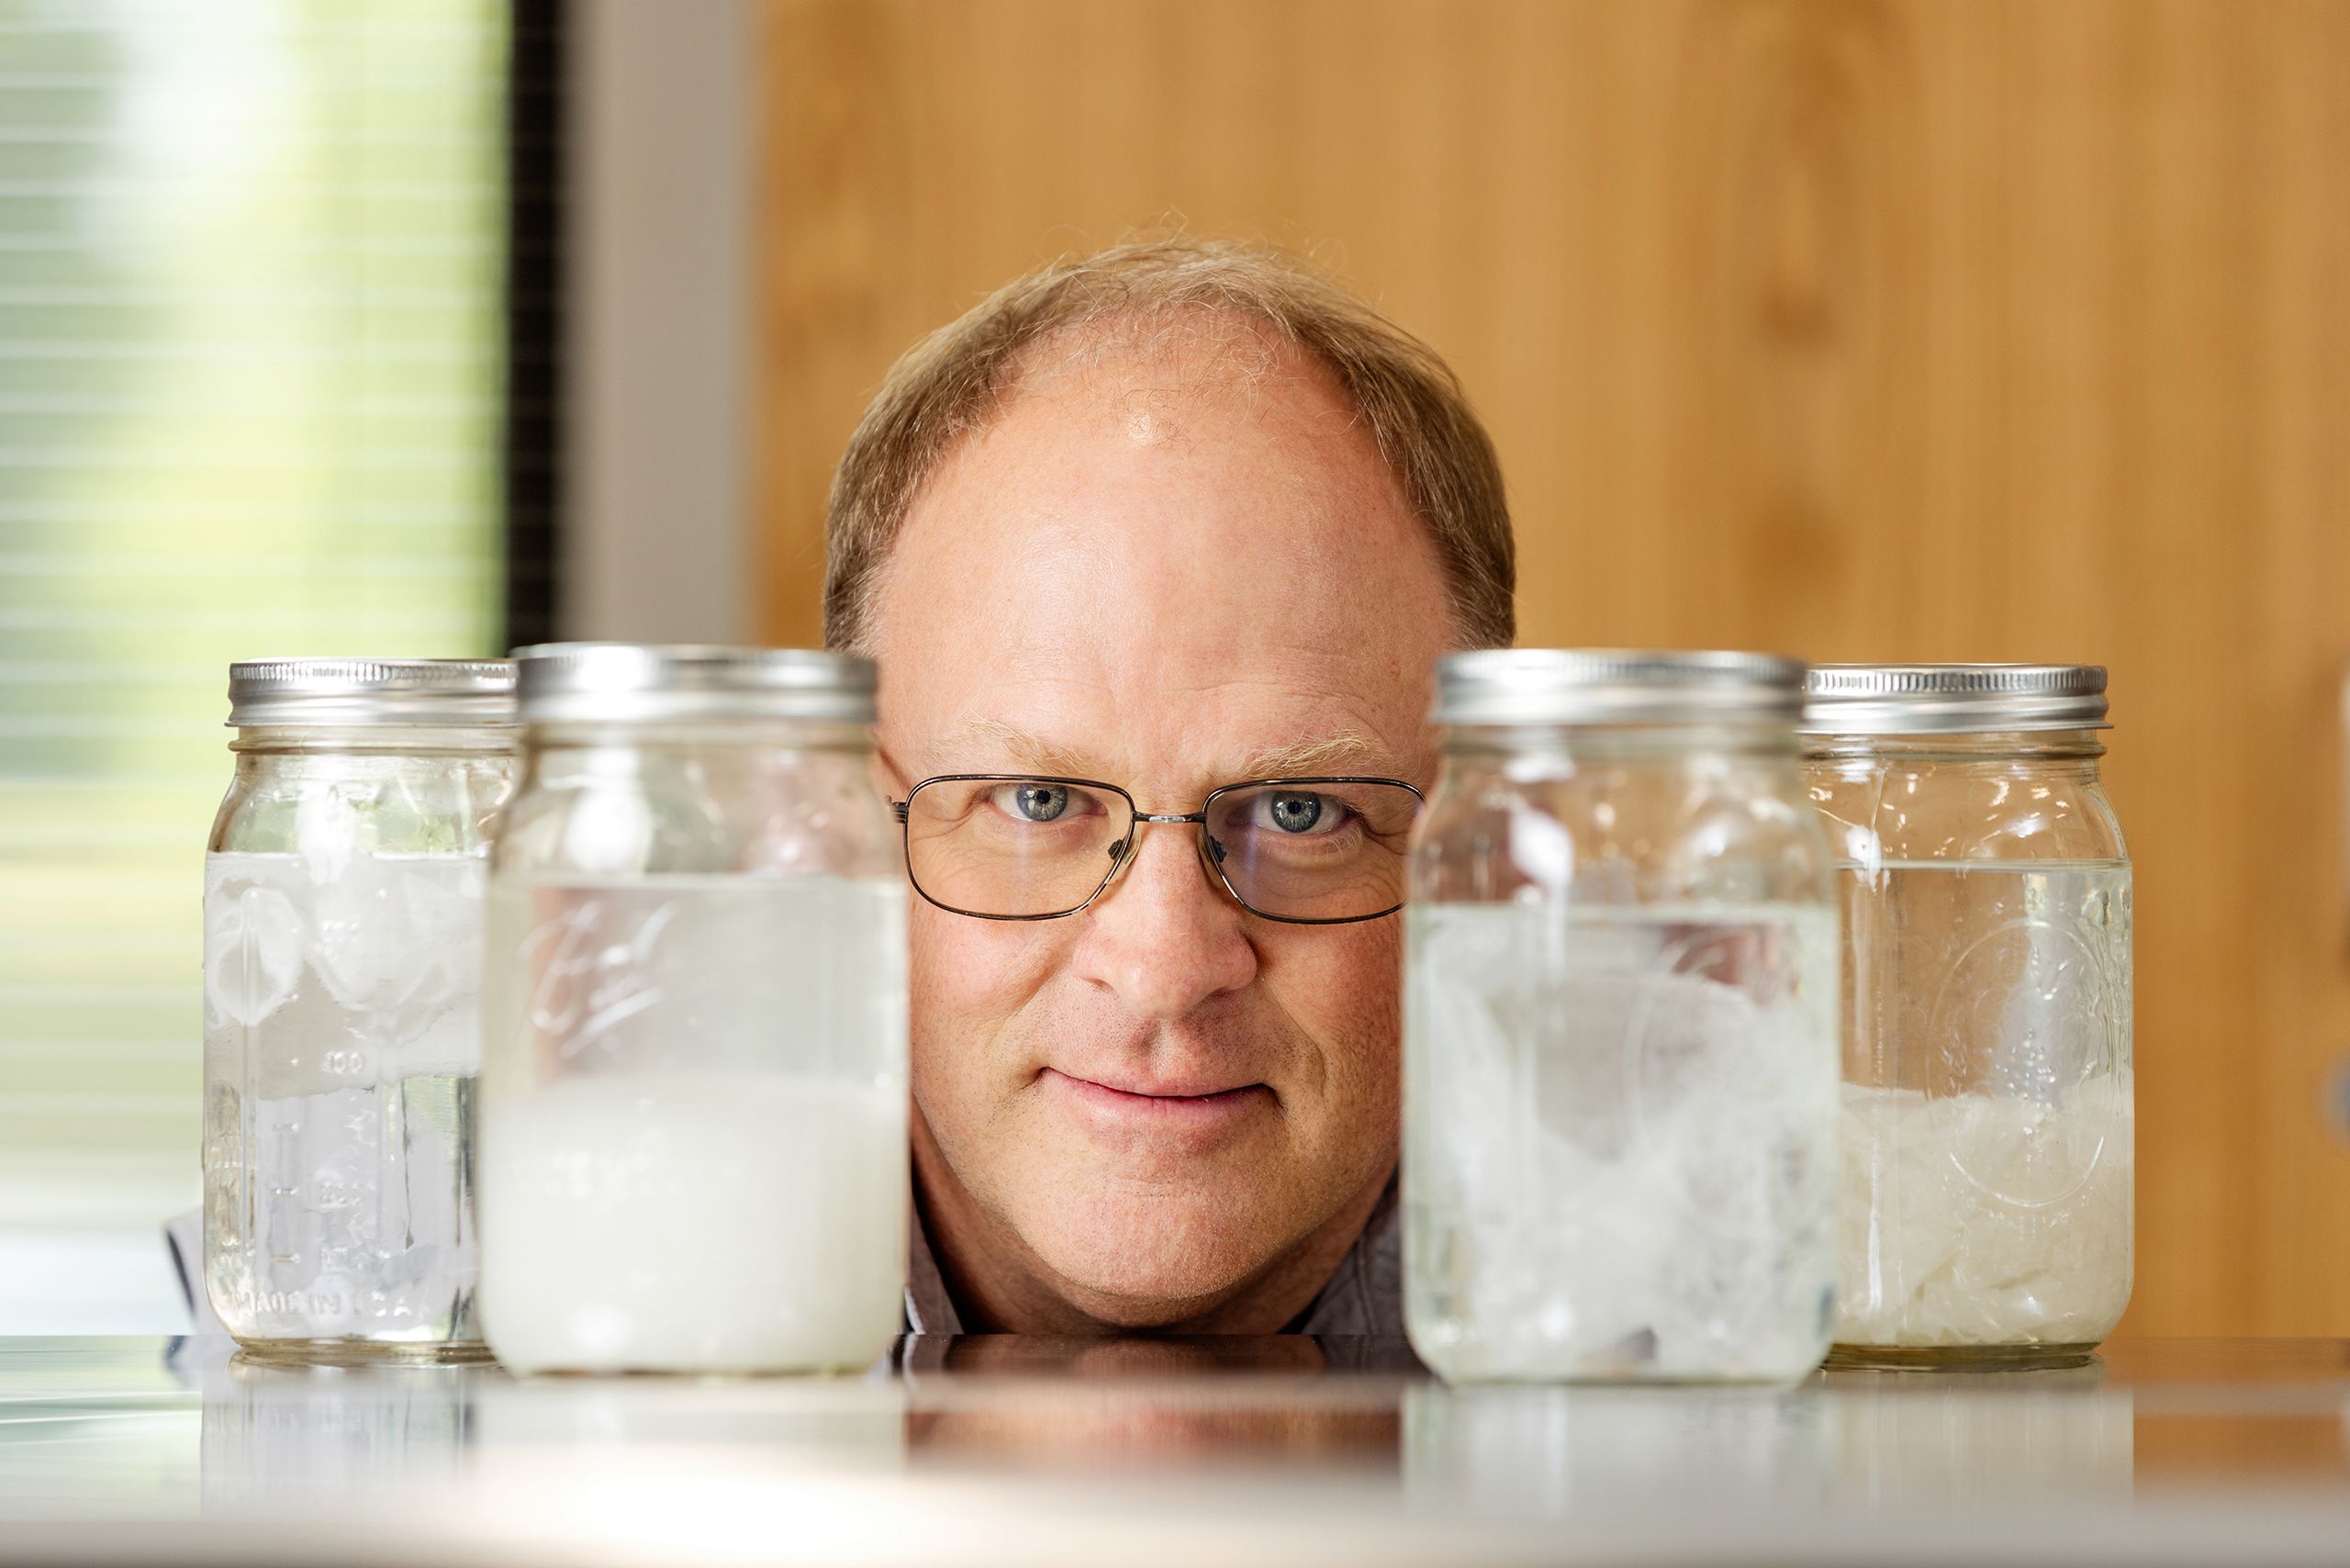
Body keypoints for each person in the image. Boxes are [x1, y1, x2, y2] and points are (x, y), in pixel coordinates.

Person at [826, 236, 1515, 1335]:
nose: (1163, 969)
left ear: (1488, 853)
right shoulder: (568, 1314)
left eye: (1300, 813)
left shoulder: (1719, 1307)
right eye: (1036, 802)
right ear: (840, 841)